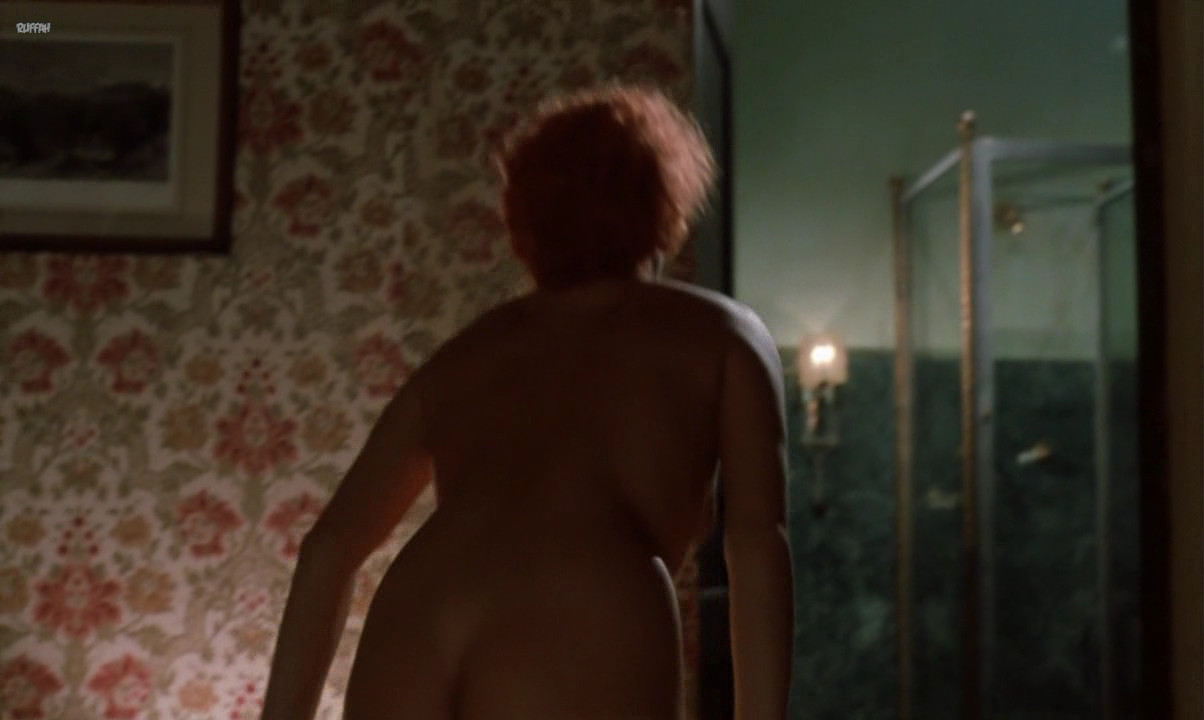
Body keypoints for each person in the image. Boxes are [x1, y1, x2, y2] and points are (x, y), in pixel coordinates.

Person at [260, 83, 793, 720]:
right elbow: (756, 546)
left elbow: (328, 549)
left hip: (417, 608)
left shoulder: (465, 355)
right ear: (663, 205)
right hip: (584, 603)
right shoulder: (722, 335)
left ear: (526, 221)